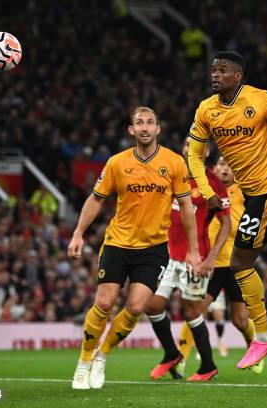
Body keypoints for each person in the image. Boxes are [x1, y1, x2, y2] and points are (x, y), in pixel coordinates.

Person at [187, 51, 267, 369]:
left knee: (241, 262)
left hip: (266, 188)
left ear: (238, 75)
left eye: (222, 70)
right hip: (260, 193)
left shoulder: (260, 100)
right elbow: (194, 157)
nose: (215, 74)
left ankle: (263, 337)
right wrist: (206, 191)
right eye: (213, 69)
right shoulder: (207, 110)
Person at [68, 107, 201, 390]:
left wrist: (192, 249)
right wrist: (78, 233)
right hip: (117, 242)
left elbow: (187, 207)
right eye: (139, 123)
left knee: (137, 306)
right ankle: (84, 361)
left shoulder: (175, 163)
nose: (144, 127)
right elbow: (96, 199)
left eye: (150, 122)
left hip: (153, 248)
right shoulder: (116, 163)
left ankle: (102, 357)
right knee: (104, 303)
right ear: (131, 130)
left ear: (158, 129)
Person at [147, 137, 231, 382]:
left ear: (204, 152)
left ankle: (208, 365)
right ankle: (172, 354)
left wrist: (212, 258)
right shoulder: (173, 175)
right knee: (152, 306)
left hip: (196, 259)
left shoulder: (212, 183)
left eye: (194, 144)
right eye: (185, 143)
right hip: (170, 257)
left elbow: (226, 222)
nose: (187, 147)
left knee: (191, 310)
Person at [176, 156, 263, 375]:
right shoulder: (205, 192)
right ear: (213, 169)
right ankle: (181, 359)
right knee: (195, 311)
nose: (225, 169)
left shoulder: (243, 192)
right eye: (221, 165)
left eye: (230, 166)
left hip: (236, 265)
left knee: (240, 320)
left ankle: (255, 347)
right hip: (210, 264)